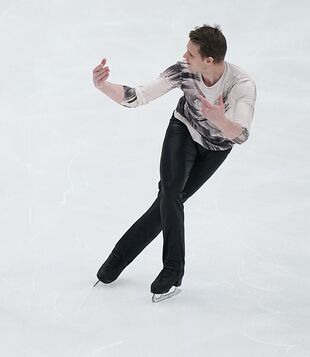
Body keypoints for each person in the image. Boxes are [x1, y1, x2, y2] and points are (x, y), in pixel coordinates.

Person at [92, 25, 256, 302]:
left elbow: (240, 134)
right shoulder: (184, 69)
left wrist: (220, 120)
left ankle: (119, 258)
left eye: (191, 53)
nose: (184, 55)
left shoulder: (241, 85)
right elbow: (139, 96)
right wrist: (103, 86)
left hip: (216, 148)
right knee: (170, 193)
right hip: (183, 130)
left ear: (209, 60)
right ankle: (172, 269)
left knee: (169, 201)